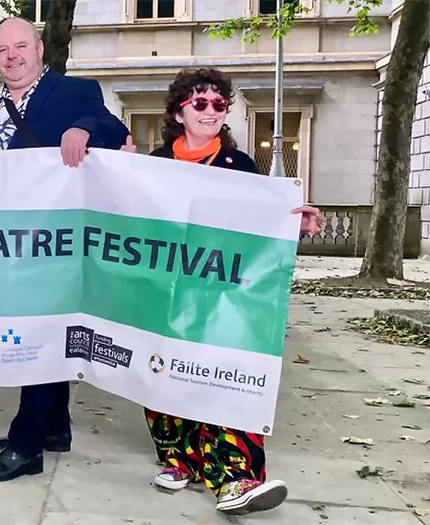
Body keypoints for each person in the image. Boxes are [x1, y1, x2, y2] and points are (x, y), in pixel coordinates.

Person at [137, 67, 324, 515]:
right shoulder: (153, 163)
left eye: (219, 103)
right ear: (179, 111)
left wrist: (292, 221)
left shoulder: (239, 167)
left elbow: (261, 223)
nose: (210, 111)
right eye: (199, 102)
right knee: (164, 371)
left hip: (222, 295)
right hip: (166, 292)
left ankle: (236, 478)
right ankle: (179, 459)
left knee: (226, 376)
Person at [0, 17, 130, 482]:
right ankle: (55, 427)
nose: (11, 56)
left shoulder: (73, 92)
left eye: (20, 46)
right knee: (40, 333)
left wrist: (82, 129)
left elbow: (111, 128)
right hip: (4, 242)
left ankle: (25, 446)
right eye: (2, 49)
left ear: (40, 49)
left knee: (35, 339)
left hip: (52, 241)